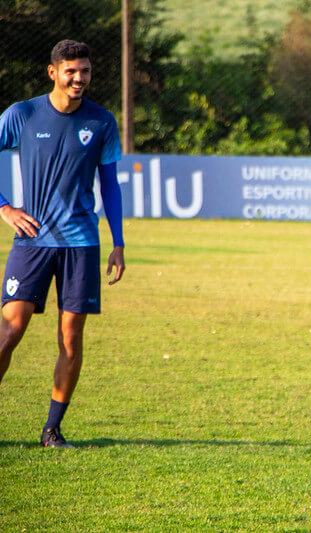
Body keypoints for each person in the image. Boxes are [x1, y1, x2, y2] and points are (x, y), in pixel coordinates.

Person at [0, 40, 125, 448]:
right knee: (9, 329)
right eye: (71, 71)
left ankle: (52, 430)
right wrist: (5, 208)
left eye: (85, 71)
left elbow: (110, 183)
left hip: (81, 243)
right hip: (32, 241)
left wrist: (118, 242)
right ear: (52, 72)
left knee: (70, 338)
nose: (79, 78)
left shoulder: (102, 121)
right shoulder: (22, 114)